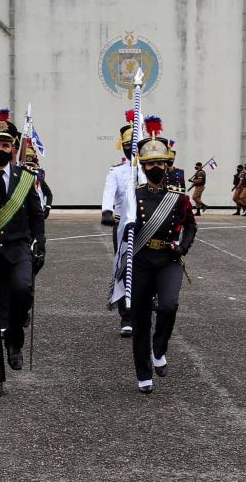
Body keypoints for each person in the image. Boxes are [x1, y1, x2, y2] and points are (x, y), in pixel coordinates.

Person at [109, 115, 196, 394]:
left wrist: (183, 247)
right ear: (143, 167)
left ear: (167, 165)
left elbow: (191, 226)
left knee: (169, 306)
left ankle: (160, 349)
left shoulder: (178, 195)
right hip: (142, 260)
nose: (156, 167)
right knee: (140, 317)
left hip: (169, 260)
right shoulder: (134, 196)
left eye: (161, 162)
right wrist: (128, 223)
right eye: (151, 164)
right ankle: (143, 372)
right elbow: (122, 228)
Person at [0, 111, 45, 397]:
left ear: (13, 147)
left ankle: (15, 339)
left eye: (6, 145)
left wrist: (40, 243)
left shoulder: (25, 178)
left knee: (21, 290)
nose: (1, 149)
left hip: (18, 250)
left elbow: (36, 216)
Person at [101, 110, 139, 336]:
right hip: (124, 228)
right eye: (127, 144)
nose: (130, 148)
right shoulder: (116, 172)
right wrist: (106, 210)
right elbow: (108, 192)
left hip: (150, 227)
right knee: (125, 269)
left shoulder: (149, 171)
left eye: (134, 143)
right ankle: (127, 316)